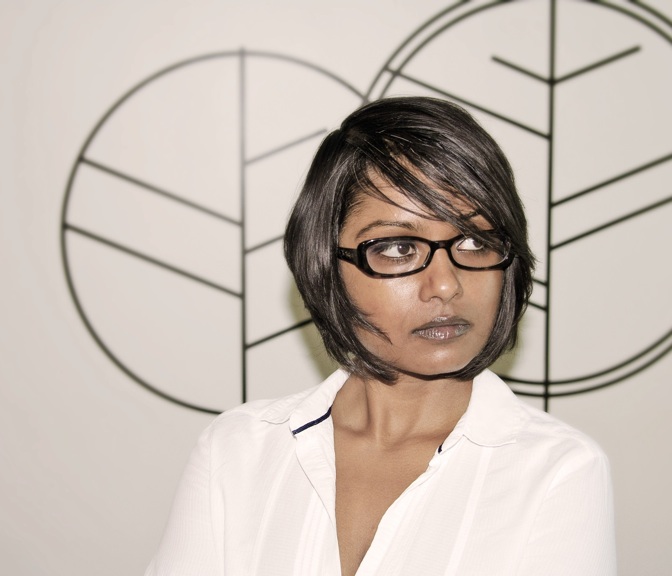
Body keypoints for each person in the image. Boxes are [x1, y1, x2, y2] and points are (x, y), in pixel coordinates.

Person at [145, 97, 616, 575]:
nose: (446, 285)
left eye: (476, 241)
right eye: (397, 248)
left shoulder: (558, 471)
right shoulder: (238, 450)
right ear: (325, 264)